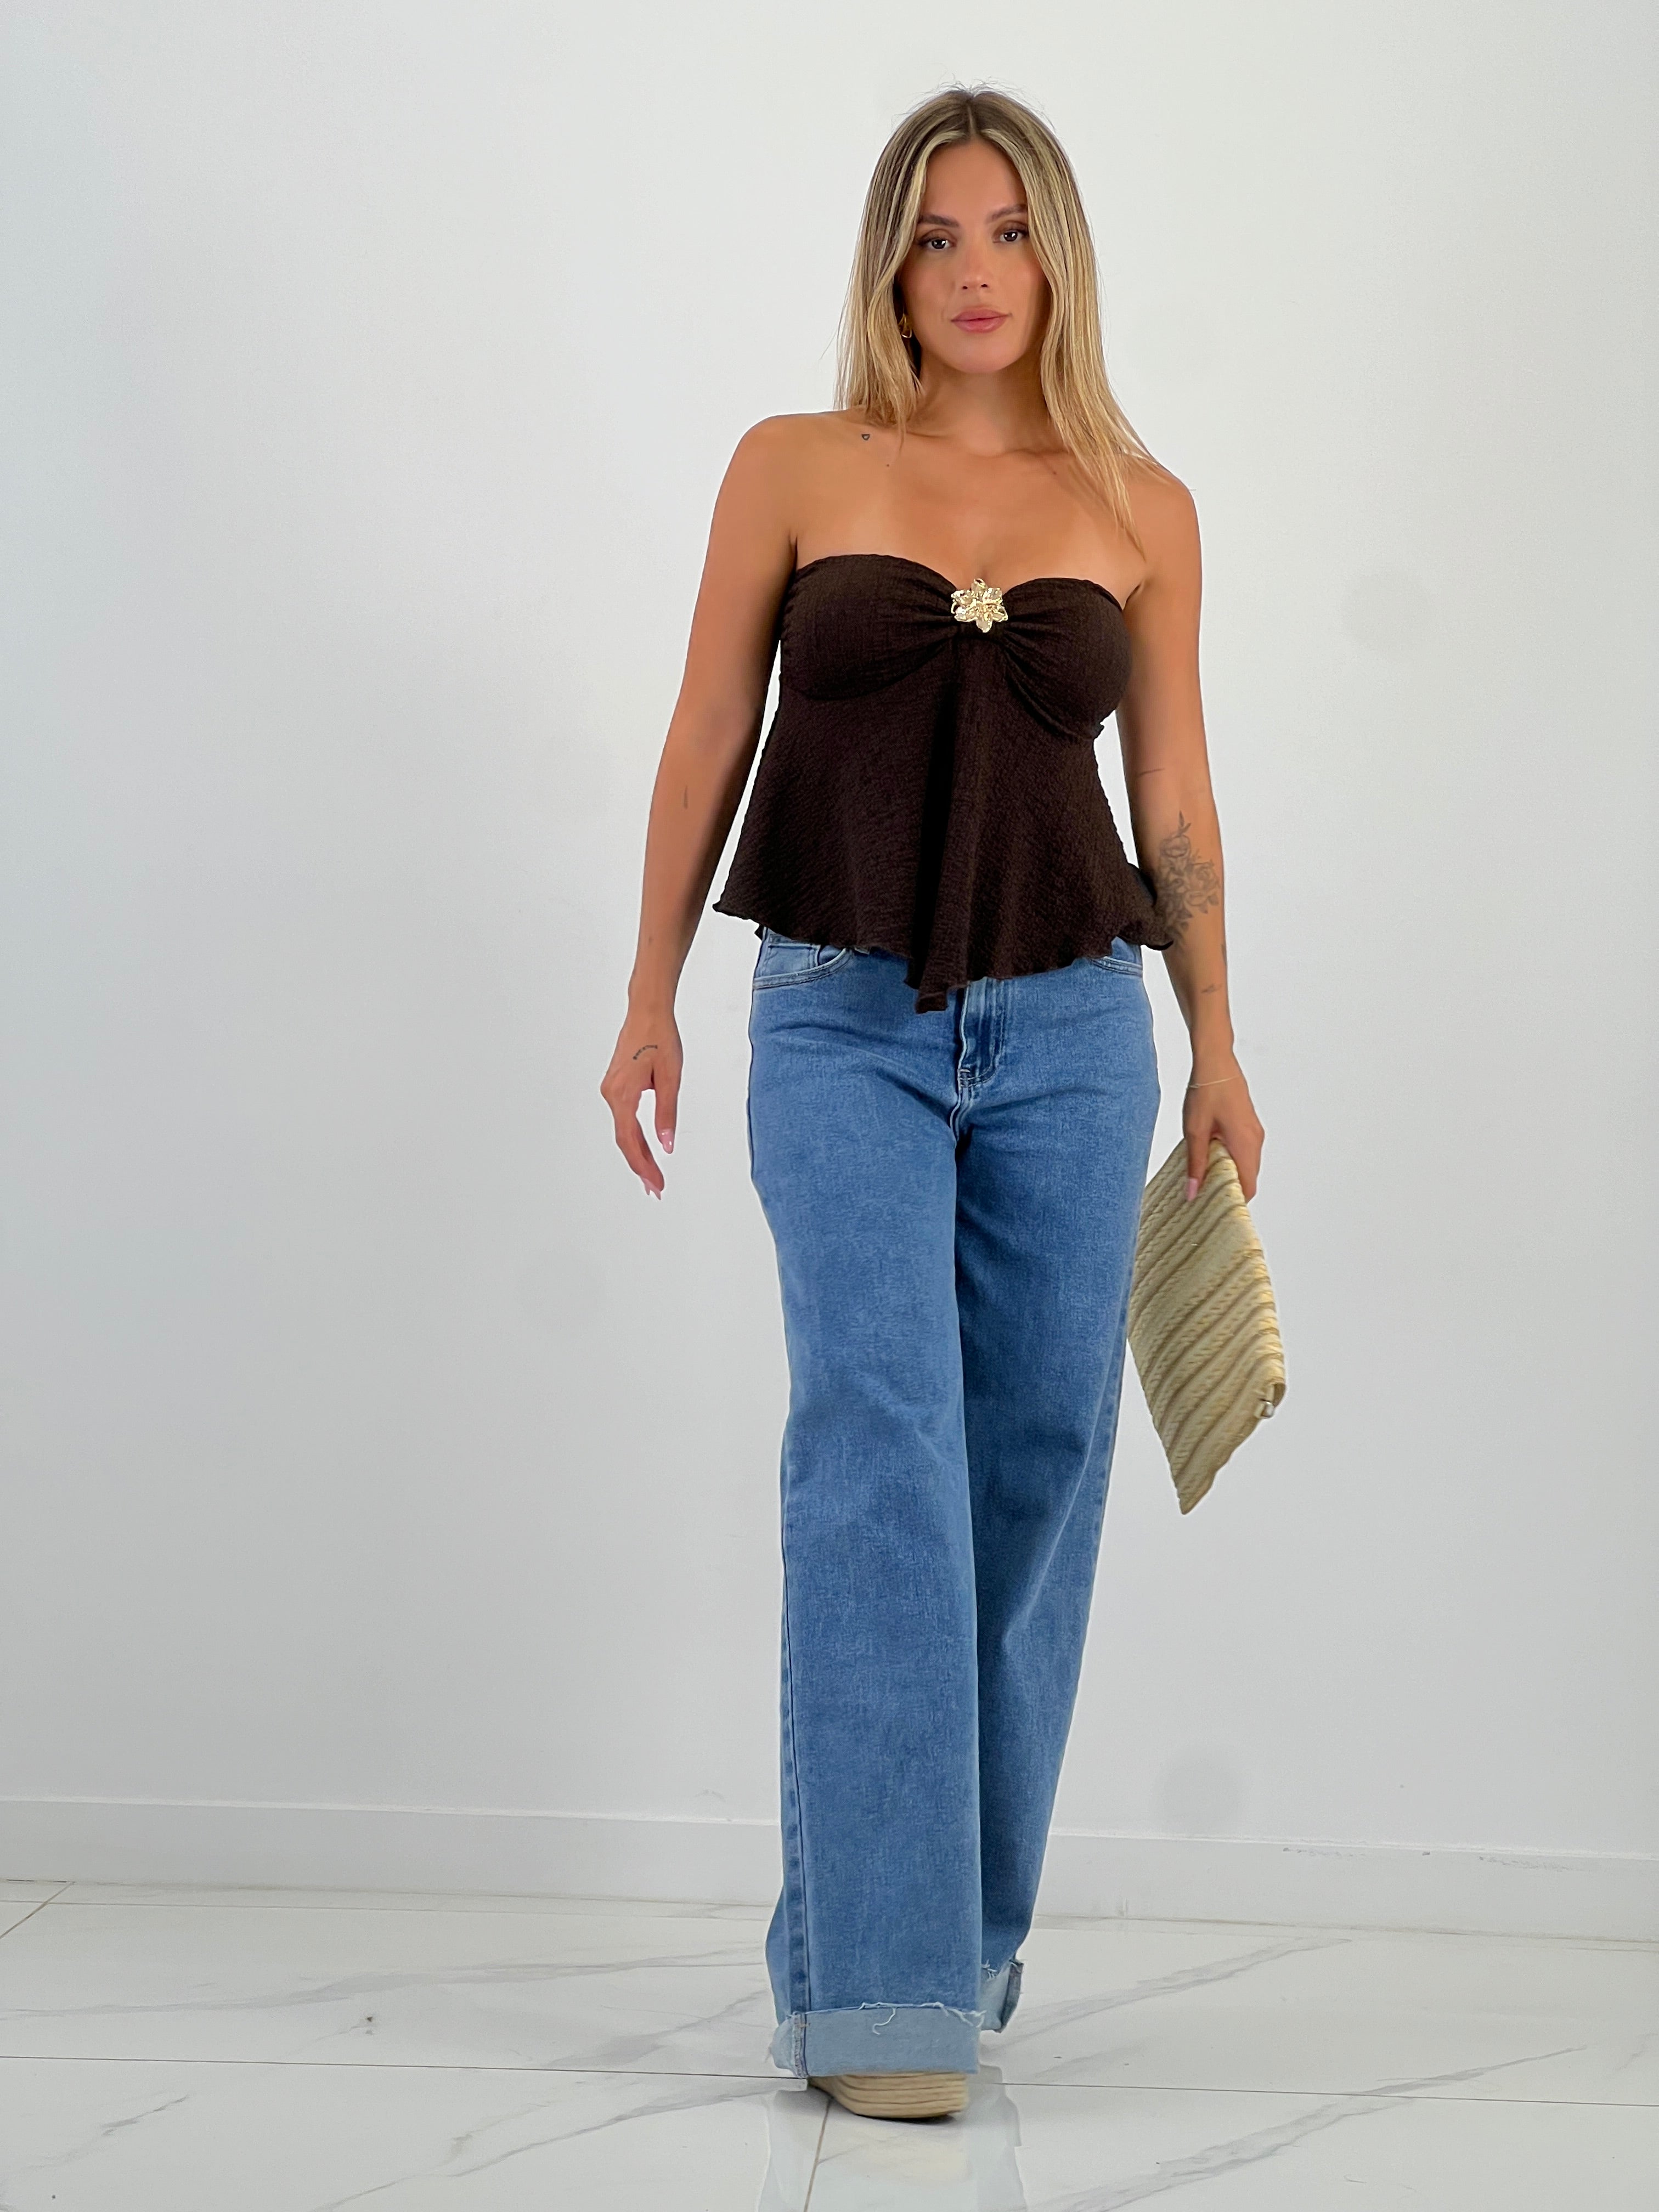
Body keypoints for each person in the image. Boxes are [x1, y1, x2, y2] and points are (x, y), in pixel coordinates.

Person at [600, 84, 1264, 2123]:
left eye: (1009, 230)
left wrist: (1220, 1041)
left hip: (1076, 1027)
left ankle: (933, 1952)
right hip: (839, 1019)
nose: (975, 271)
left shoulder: (1142, 503)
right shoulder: (795, 465)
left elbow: (1174, 799)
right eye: (935, 234)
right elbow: (708, 729)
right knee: (878, 1453)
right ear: (890, 267)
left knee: (1038, 1468)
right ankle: (882, 2003)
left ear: (1060, 254)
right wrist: (648, 994)